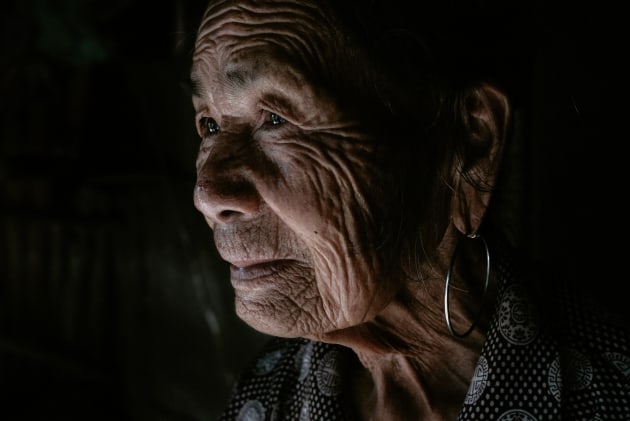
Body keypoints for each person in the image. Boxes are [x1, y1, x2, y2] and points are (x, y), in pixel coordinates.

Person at [188, 0, 630, 419]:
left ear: (470, 142)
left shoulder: (609, 397)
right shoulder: (264, 397)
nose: (207, 195)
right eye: (209, 124)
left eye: (276, 119)